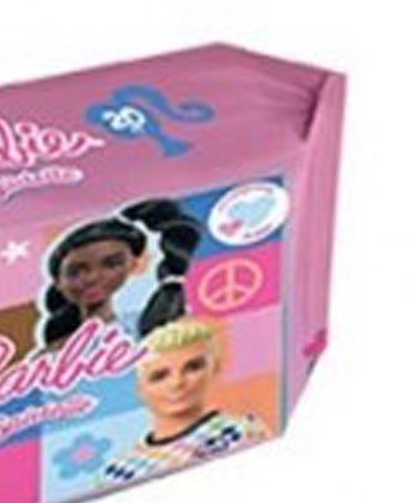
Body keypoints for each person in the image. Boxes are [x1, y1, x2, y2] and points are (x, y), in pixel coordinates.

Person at [101, 316, 269, 486]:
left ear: (215, 368)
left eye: (193, 367)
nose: (177, 383)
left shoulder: (240, 432)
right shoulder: (117, 471)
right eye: (159, 376)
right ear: (140, 389)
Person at [39, 198, 201, 350]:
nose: (92, 278)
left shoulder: (147, 323)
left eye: (111, 265)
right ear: (58, 282)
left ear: (134, 264)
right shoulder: (57, 348)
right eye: (75, 272)